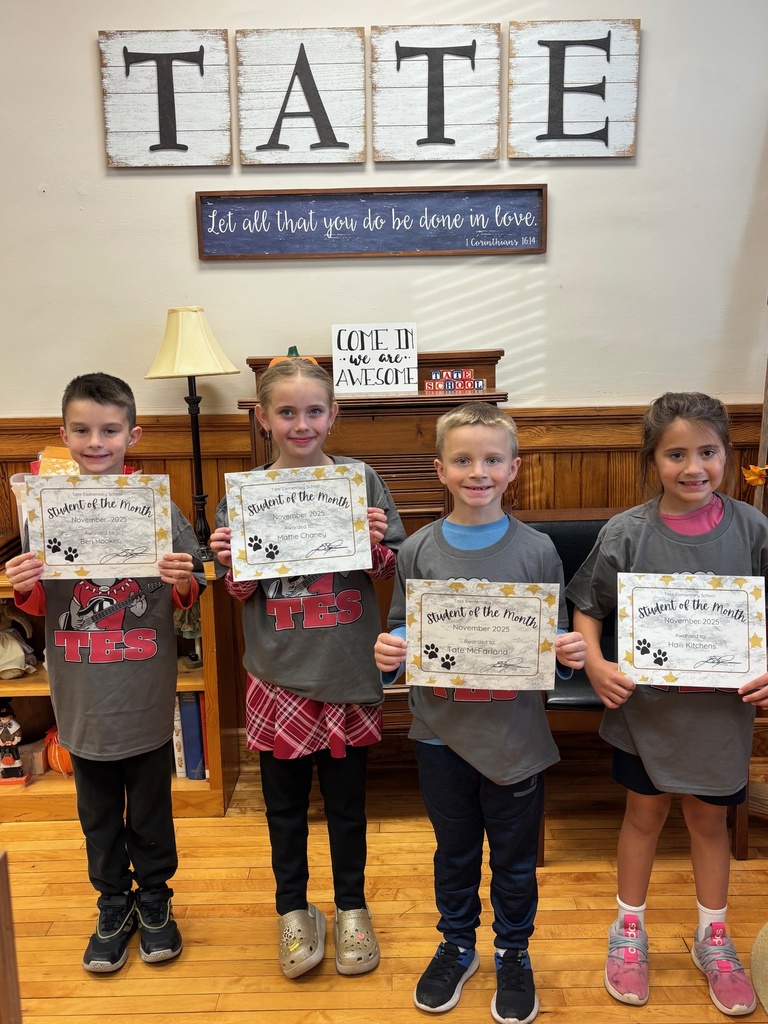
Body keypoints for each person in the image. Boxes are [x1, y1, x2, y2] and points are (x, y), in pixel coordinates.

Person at [373, 401, 586, 1024]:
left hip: (516, 739)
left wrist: (568, 652)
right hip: (440, 736)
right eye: (463, 459)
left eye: (492, 459)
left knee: (515, 861)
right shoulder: (416, 552)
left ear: (513, 469)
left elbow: (555, 643)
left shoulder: (539, 551)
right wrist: (389, 654)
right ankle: (458, 944)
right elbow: (397, 636)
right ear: (440, 470)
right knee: (455, 852)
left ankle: (514, 952)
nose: (478, 471)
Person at [567, 391, 768, 1017]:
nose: (694, 468)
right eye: (675, 454)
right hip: (645, 712)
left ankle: (714, 936)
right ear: (651, 460)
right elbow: (588, 606)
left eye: (708, 452)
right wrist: (596, 664)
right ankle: (628, 930)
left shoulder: (755, 529)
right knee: (644, 817)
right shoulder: (626, 533)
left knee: (708, 823)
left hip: (720, 715)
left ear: (727, 456)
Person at [209, 356, 405, 979]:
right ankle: (292, 909)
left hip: (347, 668)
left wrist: (375, 540)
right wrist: (228, 557)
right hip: (277, 672)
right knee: (284, 807)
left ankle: (352, 906)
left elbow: (390, 568)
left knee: (349, 806)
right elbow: (237, 592)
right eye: (286, 412)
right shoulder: (241, 494)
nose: (301, 423)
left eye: (313, 411)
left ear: (333, 415)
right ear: (263, 419)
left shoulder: (361, 479)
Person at [5, 373, 205, 973]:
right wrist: (23, 586)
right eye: (83, 429)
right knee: (95, 810)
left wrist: (182, 578)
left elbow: (190, 589)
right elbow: (40, 603)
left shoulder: (156, 506)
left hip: (142, 684)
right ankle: (113, 902)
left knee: (150, 805)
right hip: (80, 688)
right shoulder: (45, 510)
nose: (97, 441)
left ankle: (157, 903)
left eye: (110, 429)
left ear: (132, 435)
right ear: (63, 434)